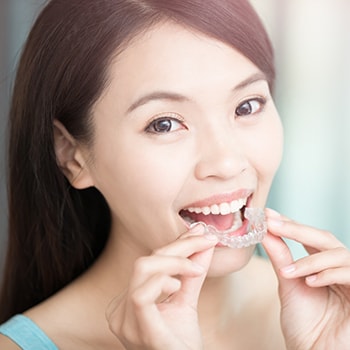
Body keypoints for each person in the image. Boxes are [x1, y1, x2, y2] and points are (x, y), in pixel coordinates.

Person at [0, 0, 349, 348]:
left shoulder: (335, 319)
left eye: (247, 106)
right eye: (164, 124)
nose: (227, 163)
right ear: (73, 156)